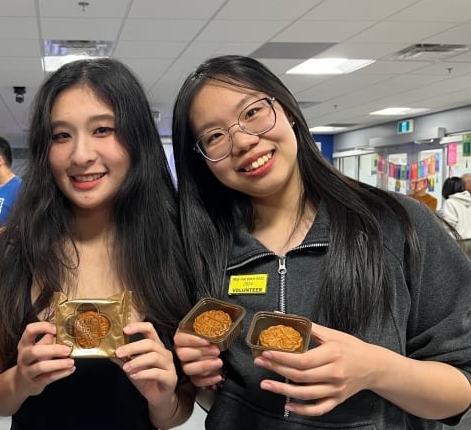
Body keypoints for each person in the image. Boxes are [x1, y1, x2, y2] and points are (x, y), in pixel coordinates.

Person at [170, 55, 471, 429]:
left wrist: (377, 369)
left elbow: (462, 384)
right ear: (203, 161)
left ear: (289, 110)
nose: (244, 141)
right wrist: (199, 373)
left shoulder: (396, 224)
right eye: (214, 136)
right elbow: (222, 397)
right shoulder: (204, 250)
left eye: (253, 113)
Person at [0, 58, 196, 429]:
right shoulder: (3, 254)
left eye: (103, 129)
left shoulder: (178, 251)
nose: (80, 155)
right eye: (61, 135)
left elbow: (177, 411)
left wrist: (161, 397)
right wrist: (21, 381)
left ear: (137, 137)